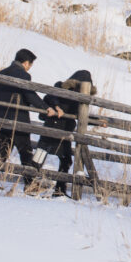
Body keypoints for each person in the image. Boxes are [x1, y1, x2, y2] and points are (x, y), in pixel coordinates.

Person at [0, 49, 60, 187]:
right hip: (18, 119)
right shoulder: (23, 75)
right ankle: (30, 184)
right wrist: (45, 108)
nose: (29, 68)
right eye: (30, 65)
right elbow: (29, 94)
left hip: (2, 119)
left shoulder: (1, 73)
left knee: (3, 151)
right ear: (26, 63)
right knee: (26, 151)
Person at [38, 69, 98, 198]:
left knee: (66, 160)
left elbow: (82, 115)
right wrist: (57, 106)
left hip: (66, 130)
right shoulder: (60, 86)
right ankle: (30, 183)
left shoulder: (81, 98)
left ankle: (59, 189)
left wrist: (98, 122)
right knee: (40, 155)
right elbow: (50, 96)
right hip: (52, 126)